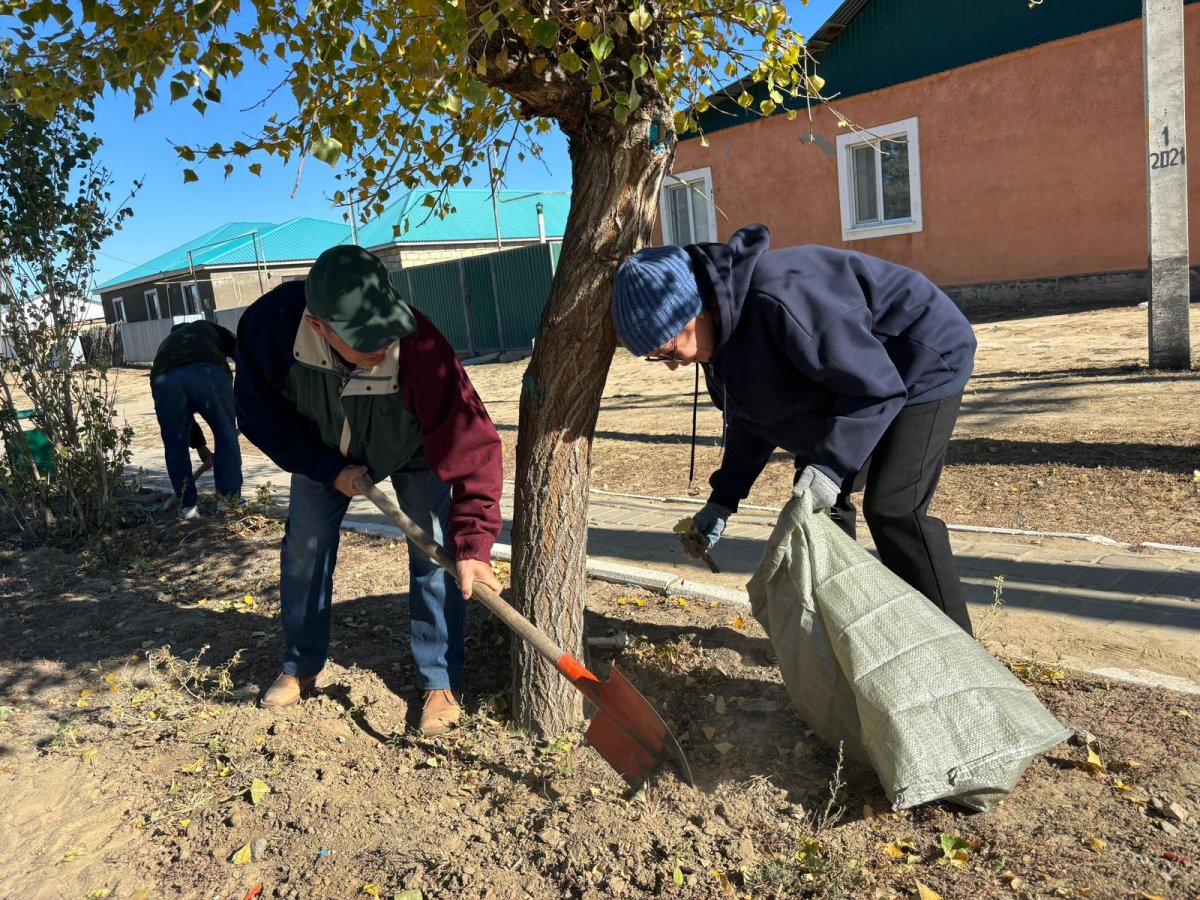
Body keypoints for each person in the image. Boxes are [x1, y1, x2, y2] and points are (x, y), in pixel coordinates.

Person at [611, 224, 978, 634]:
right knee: (820, 513)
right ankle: (850, 631)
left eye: (669, 351)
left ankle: (956, 649)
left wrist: (831, 467)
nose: (674, 364)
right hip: (842, 380)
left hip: (919, 356)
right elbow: (754, 419)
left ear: (695, 312)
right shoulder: (720, 341)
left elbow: (875, 389)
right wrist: (723, 500)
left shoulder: (781, 301)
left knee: (894, 508)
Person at [234, 244, 504, 734]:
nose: (384, 345)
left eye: (388, 331)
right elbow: (259, 415)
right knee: (304, 549)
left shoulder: (421, 345)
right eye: (365, 341)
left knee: (434, 553)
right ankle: (300, 664)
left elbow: (474, 444)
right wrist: (324, 466)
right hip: (323, 452)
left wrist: (474, 544)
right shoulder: (270, 328)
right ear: (320, 326)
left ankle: (439, 680)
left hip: (413, 447)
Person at [150, 320, 243, 519]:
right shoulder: (207, 327)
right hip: (208, 373)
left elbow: (183, 420)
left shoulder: (166, 345)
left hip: (164, 380)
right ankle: (228, 501)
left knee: (175, 444)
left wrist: (200, 446)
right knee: (226, 434)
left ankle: (188, 508)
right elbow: (241, 351)